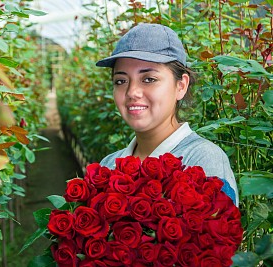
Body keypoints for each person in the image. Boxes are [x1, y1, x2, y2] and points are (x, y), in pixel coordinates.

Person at [95, 23, 239, 206]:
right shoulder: (108, 167)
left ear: (181, 86)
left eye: (149, 79)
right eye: (121, 81)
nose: (132, 92)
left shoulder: (202, 161)